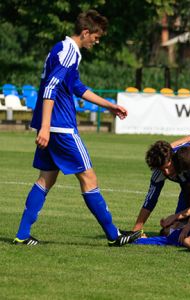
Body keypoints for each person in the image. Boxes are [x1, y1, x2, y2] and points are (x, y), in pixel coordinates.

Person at [13, 10, 141, 246]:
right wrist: (45, 127)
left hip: (53, 126)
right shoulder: (69, 52)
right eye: (96, 36)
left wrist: (108, 105)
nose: (97, 40)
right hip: (60, 127)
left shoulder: (61, 49)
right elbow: (51, 88)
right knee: (88, 177)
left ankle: (22, 235)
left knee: (46, 179)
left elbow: (76, 87)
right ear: (85, 32)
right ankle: (114, 236)